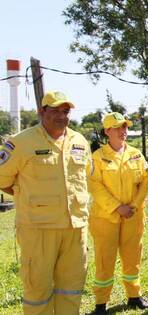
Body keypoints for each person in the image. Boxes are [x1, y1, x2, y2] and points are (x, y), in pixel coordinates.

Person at [0, 91, 91, 314]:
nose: (62, 116)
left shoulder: (79, 141)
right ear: (42, 112)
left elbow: (86, 175)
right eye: (55, 110)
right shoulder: (21, 142)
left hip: (75, 228)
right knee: (37, 289)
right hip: (38, 229)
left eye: (66, 111)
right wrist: (27, 196)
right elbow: (3, 178)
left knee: (71, 288)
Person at [88, 112, 148, 314]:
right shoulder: (97, 157)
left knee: (133, 257)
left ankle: (134, 296)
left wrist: (133, 206)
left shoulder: (136, 154)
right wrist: (117, 207)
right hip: (105, 217)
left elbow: (145, 181)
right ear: (107, 131)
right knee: (105, 259)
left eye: (124, 127)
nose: (123, 131)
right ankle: (101, 302)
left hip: (133, 216)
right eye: (117, 127)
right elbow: (95, 186)